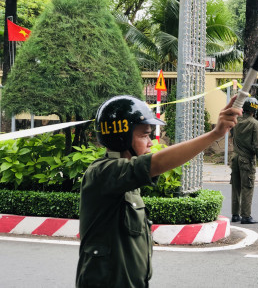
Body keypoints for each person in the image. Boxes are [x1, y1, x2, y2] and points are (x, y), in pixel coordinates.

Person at [76, 95, 241, 288]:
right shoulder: (102, 174)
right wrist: (214, 134)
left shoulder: (125, 180)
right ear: (121, 136)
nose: (150, 143)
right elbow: (159, 162)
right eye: (144, 135)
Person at [230, 97, 258, 225]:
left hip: (234, 158)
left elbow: (231, 134)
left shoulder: (236, 120)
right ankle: (246, 216)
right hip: (246, 159)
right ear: (254, 110)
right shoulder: (254, 123)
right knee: (247, 187)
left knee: (236, 187)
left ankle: (235, 215)